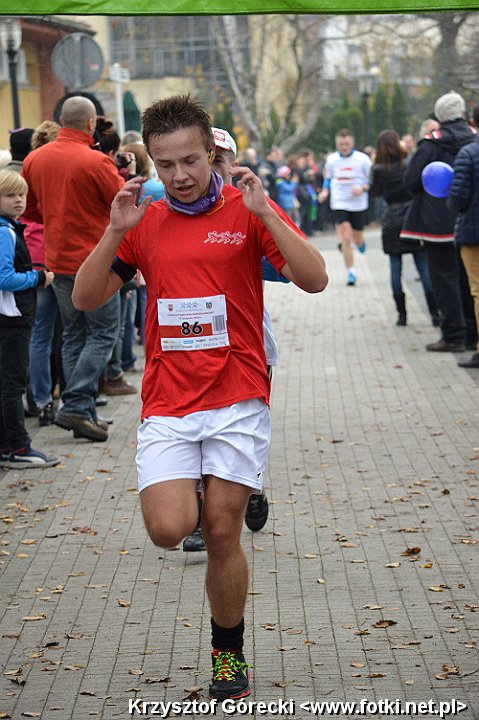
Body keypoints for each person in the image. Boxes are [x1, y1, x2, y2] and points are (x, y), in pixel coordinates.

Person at [72, 94, 328, 701]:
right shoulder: (144, 219)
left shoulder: (246, 206)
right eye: (166, 165)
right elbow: (85, 299)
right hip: (168, 398)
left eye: (190, 160)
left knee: (220, 530)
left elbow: (315, 279)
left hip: (238, 394)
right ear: (152, 162)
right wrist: (114, 232)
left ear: (212, 152)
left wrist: (267, 216)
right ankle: (198, 481)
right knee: (169, 529)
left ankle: (227, 658)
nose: (180, 175)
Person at [22, 96, 125, 441]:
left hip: (57, 260)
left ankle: (82, 410)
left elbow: (29, 210)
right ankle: (78, 405)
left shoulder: (36, 158)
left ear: (61, 121)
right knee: (103, 333)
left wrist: (57, 216)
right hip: (95, 261)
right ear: (91, 124)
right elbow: (121, 205)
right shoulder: (96, 161)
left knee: (74, 334)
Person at [400, 91, 476, 353]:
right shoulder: (474, 140)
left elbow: (411, 182)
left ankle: (453, 335)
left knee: (444, 280)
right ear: (463, 114)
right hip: (469, 220)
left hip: (437, 224)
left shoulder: (430, 144)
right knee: (470, 280)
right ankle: (472, 334)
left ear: (439, 117)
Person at [0, 170, 59, 469]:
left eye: (22, 195)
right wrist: (37, 278)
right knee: (13, 384)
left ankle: (7, 444)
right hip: (13, 317)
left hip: (11, 316)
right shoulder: (6, 232)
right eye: (10, 195)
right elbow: (4, 277)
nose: (19, 201)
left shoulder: (9, 228)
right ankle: (20, 447)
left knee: (7, 383)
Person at [370, 130, 438, 327]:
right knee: (423, 266)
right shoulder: (408, 163)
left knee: (395, 268)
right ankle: (435, 313)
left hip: (391, 217)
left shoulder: (379, 169)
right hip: (412, 216)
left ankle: (402, 315)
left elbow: (375, 193)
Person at [24, 121, 62, 427]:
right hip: (59, 259)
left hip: (34, 259)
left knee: (40, 335)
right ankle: (71, 400)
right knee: (71, 334)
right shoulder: (59, 171)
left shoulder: (28, 170)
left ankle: (41, 399)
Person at [318, 129, 372, 286]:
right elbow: (328, 179)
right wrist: (325, 191)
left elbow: (371, 180)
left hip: (358, 203)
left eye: (347, 144)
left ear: (352, 143)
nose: (344, 147)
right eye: (341, 144)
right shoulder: (332, 160)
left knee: (357, 237)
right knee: (346, 238)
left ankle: (360, 243)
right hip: (339, 202)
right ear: (337, 144)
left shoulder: (362, 159)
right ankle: (351, 272)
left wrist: (362, 188)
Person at [448, 101, 479, 368]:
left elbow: (458, 198)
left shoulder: (468, 153)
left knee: (477, 290)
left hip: (473, 232)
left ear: (473, 122)